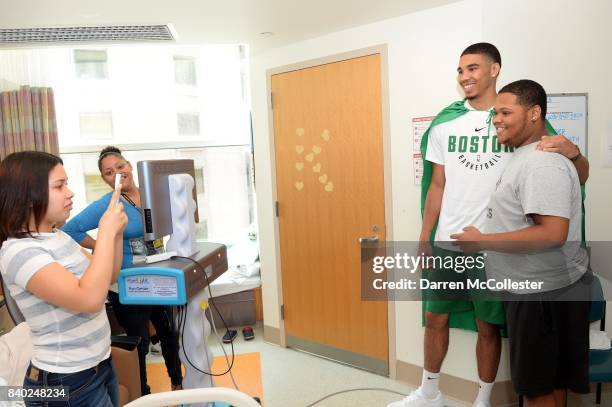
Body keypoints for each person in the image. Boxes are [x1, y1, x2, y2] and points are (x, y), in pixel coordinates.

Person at [388, 43, 589, 407]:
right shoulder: (446, 123)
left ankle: (483, 400)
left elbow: (574, 176)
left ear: (495, 69)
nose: (465, 76)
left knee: (488, 326)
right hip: (451, 240)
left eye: (473, 68)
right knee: (435, 316)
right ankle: (429, 393)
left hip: (500, 248)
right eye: (460, 70)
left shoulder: (518, 120)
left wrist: (574, 151)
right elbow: (436, 184)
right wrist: (425, 235)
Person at [452, 79, 590, 407]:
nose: (496, 118)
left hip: (540, 294)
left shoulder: (540, 162)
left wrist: (483, 241)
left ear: (534, 113)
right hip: (549, 289)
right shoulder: (534, 154)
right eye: (494, 113)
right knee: (553, 381)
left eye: (505, 111)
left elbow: (551, 233)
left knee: (537, 389)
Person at [0, 151, 127, 406]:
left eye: (66, 183)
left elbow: (108, 277)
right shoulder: (18, 251)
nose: (70, 193)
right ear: (28, 195)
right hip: (65, 380)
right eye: (60, 186)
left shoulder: (58, 237)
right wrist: (104, 232)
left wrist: (116, 234)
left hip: (97, 364)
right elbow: (89, 298)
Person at [63, 146, 183, 395]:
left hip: (158, 276)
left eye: (120, 166)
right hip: (126, 284)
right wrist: (102, 246)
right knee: (139, 344)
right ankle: (143, 394)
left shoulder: (152, 193)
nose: (117, 173)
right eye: (108, 172)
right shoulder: (109, 203)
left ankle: (177, 382)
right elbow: (70, 230)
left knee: (169, 333)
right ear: (105, 179)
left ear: (129, 165)